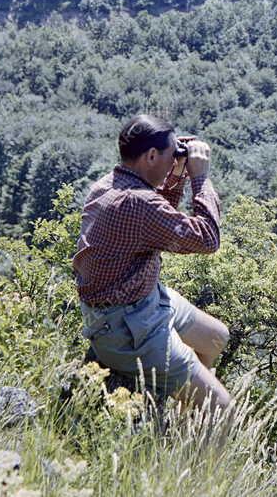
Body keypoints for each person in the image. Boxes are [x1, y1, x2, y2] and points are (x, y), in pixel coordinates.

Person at [73, 114, 231, 410]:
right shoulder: (139, 203)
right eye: (171, 157)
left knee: (216, 338)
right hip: (127, 328)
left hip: (141, 305)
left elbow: (154, 225)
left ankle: (191, 412)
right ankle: (201, 422)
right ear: (151, 155)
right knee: (223, 408)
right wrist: (199, 178)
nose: (174, 162)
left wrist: (174, 178)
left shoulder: (108, 185)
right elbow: (208, 240)